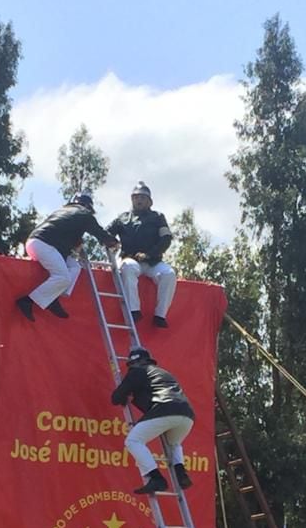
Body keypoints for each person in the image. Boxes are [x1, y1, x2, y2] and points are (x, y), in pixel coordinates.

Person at [16, 193, 118, 322]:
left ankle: (53, 297)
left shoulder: (63, 211)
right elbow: (99, 232)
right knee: (63, 277)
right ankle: (27, 301)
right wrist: (113, 242)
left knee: (74, 267)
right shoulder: (84, 214)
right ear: (88, 207)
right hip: (44, 244)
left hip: (40, 243)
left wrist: (76, 242)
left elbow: (64, 232)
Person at [110, 346, 195, 495]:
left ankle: (156, 479)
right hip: (186, 415)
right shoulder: (164, 373)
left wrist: (125, 395)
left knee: (133, 441)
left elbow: (116, 398)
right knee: (173, 443)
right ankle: (181, 473)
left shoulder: (137, 372)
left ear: (133, 363)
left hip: (165, 409)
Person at [106, 182, 176, 327]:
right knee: (128, 268)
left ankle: (160, 315)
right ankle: (133, 310)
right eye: (136, 197)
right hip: (130, 259)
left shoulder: (158, 217)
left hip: (153, 262)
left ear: (149, 202)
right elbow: (105, 233)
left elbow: (166, 239)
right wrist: (112, 242)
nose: (139, 200)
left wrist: (149, 255)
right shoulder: (122, 218)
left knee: (169, 274)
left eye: (143, 198)